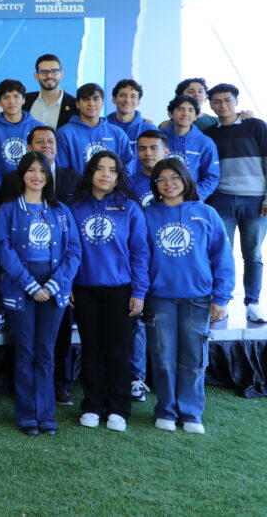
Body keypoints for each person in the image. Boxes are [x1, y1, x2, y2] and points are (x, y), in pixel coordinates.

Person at [144, 159, 234, 434]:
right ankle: (166, 411)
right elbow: (140, 257)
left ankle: (191, 413)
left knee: (194, 358)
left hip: (198, 298)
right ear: (155, 184)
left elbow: (222, 257)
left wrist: (221, 297)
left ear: (185, 179)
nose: (168, 183)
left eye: (174, 177)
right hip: (159, 298)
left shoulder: (206, 213)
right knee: (162, 357)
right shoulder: (147, 214)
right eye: (161, 179)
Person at [0, 152, 81, 436]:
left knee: (45, 352)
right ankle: (26, 415)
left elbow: (74, 251)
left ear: (48, 176)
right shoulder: (8, 210)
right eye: (31, 170)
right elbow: (3, 249)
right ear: (22, 175)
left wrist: (55, 285)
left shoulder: (60, 210)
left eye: (42, 171)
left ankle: (45, 414)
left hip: (54, 291)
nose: (37, 176)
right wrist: (29, 284)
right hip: (21, 289)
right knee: (25, 351)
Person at [69, 151, 150, 432]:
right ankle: (92, 405)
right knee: (91, 350)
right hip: (84, 290)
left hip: (120, 290)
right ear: (90, 172)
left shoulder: (129, 208)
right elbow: (68, 251)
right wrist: (68, 284)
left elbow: (140, 253)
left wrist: (139, 292)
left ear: (119, 176)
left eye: (112, 170)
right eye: (100, 168)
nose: (106, 174)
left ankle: (119, 408)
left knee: (118, 351)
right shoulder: (75, 208)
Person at [204, 83, 267, 324]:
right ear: (211, 105)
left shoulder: (256, 126)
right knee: (221, 254)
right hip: (222, 199)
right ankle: (222, 303)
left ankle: (252, 303)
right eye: (217, 101)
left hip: (256, 200)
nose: (222, 105)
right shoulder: (210, 133)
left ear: (236, 101)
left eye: (227, 100)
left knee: (253, 254)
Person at [125, 129, 171, 402]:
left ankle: (167, 380)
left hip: (169, 264)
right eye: (142, 148)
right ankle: (136, 378)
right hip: (138, 262)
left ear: (166, 151)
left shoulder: (177, 182)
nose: (147, 153)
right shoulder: (129, 184)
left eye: (153, 148)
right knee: (137, 321)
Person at [0, 79, 43, 190]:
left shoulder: (39, 128)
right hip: (1, 193)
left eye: (16, 96)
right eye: (6, 97)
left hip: (34, 191)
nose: (11, 101)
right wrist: (3, 191)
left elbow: (45, 163)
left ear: (24, 99)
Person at [56, 83, 134, 175]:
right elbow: (62, 171)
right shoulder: (64, 133)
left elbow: (127, 167)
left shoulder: (117, 133)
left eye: (96, 99)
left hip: (112, 185)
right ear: (77, 104)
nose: (91, 103)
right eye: (86, 99)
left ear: (102, 103)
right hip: (77, 184)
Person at [0, 125, 81, 205]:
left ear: (56, 148)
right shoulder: (11, 180)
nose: (46, 145)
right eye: (39, 142)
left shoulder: (75, 179)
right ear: (29, 148)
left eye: (50, 142)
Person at [163, 95, 220, 200]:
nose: (185, 114)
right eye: (180, 109)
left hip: (191, 201)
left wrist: (193, 196)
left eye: (190, 110)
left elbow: (211, 177)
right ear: (170, 114)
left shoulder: (205, 142)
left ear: (196, 116)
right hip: (160, 199)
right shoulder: (159, 138)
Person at [23, 54, 77, 129]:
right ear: (36, 76)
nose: (49, 76)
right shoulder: (23, 101)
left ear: (61, 75)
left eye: (54, 71)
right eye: (44, 72)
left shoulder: (75, 105)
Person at [107, 79, 153, 153]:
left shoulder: (149, 129)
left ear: (138, 102)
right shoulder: (102, 126)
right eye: (122, 95)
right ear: (114, 99)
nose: (127, 100)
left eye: (133, 96)